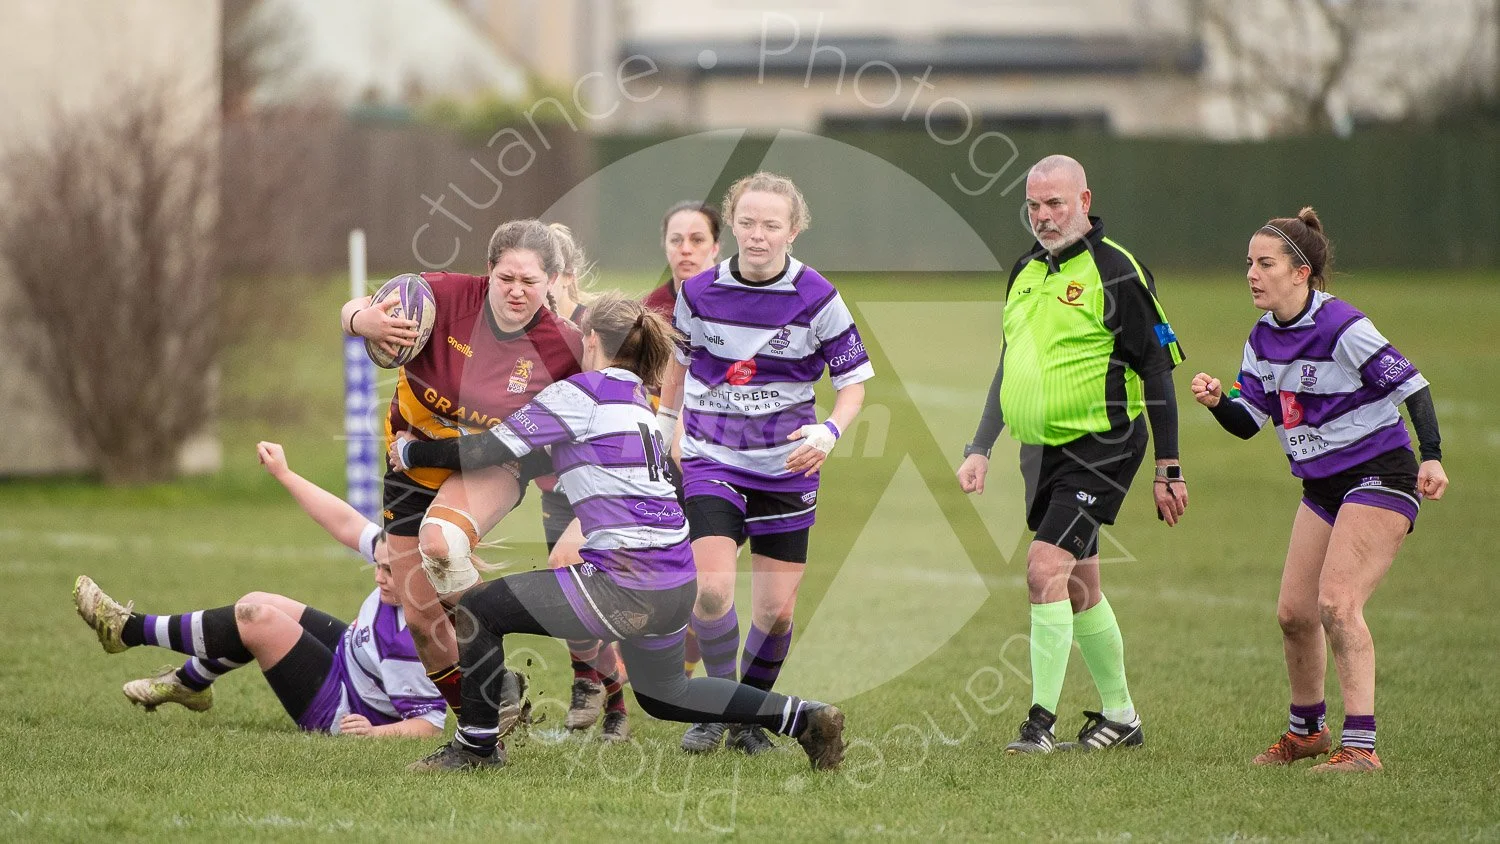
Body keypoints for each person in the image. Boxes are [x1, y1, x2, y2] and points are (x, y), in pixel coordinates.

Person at [389, 292, 847, 773]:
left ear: (589, 338)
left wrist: (412, 455)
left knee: (480, 610)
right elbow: (559, 455)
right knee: (667, 694)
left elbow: (488, 448)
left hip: (624, 581)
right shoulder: (636, 400)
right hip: (674, 580)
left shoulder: (579, 393)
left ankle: (475, 750)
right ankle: (806, 717)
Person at [1191, 208, 1447, 773]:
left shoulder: (1343, 326)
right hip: (1323, 487)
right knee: (1294, 614)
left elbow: (1415, 387)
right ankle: (1306, 733)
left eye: (1266, 263)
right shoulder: (1261, 339)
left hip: (1381, 474)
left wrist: (1432, 457)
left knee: (1337, 603)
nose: (1252, 274)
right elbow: (1247, 421)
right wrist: (1217, 403)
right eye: (1248, 264)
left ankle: (1360, 749)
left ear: (1301, 272)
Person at [956, 154, 1187, 754]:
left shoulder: (1117, 272)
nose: (1043, 216)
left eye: (1055, 203)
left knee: (1042, 569)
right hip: (1043, 452)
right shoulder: (1025, 270)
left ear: (1085, 201)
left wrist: (1169, 465)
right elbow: (1013, 364)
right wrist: (980, 445)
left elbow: (1158, 370)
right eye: (1033, 205)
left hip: (1103, 446)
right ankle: (1122, 717)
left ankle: (1039, 724)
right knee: (1081, 587)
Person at [654, 173, 874, 756]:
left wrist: (830, 431)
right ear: (734, 225)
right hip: (711, 459)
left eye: (770, 225)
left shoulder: (818, 296)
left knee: (775, 613)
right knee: (712, 593)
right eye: (747, 223)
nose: (757, 235)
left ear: (792, 230)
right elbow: (677, 367)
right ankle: (717, 708)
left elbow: (853, 385)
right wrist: (661, 427)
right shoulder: (699, 291)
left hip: (787, 467)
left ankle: (747, 718)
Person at [340, 220, 583, 713]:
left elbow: (606, 399)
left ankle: (497, 636)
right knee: (423, 623)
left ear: (552, 280)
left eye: (529, 282)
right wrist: (360, 321)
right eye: (505, 278)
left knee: (442, 543)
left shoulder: (564, 346)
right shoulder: (441, 296)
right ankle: (491, 705)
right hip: (409, 460)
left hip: (493, 466)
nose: (516, 291)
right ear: (488, 270)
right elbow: (359, 308)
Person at [69, 442, 447, 738]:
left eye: (388, 571)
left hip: (343, 708)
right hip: (348, 657)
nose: (378, 575)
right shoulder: (402, 547)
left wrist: (375, 734)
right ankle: (190, 685)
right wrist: (285, 473)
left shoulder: (412, 640)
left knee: (256, 619)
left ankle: (129, 630)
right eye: (378, 564)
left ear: (421, 576)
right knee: (256, 602)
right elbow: (344, 521)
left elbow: (430, 723)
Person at [540, 221, 632, 743]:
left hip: (604, 481)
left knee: (566, 572)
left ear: (567, 278)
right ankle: (614, 705)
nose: (532, 293)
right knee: (577, 601)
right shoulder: (522, 327)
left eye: (543, 279)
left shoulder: (599, 326)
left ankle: (586, 683)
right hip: (556, 485)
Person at [643, 200, 723, 680]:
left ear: (716, 247)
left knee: (705, 581)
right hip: (657, 456)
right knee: (665, 576)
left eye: (697, 240)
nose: (686, 250)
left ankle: (687, 670)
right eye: (677, 240)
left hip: (722, 455)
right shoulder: (650, 311)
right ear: (665, 246)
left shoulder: (736, 302)